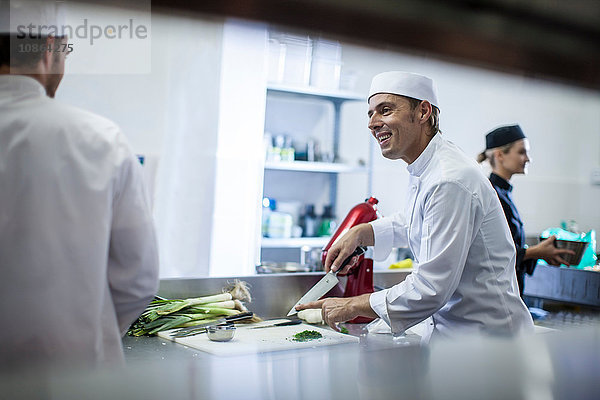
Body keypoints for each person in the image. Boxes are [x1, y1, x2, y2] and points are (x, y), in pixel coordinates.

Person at [296, 71, 534, 341]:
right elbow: (417, 221)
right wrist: (362, 232)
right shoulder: (428, 167)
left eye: (385, 110)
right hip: (459, 338)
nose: (373, 123)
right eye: (371, 114)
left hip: (486, 342)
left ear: (423, 111)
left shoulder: (449, 179)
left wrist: (351, 305)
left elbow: (430, 288)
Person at [0, 1, 159, 370]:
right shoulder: (100, 140)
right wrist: (87, 333)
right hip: (73, 377)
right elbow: (137, 282)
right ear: (51, 48)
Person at [477, 125, 574, 297]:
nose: (528, 159)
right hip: (496, 295)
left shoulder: (503, 193)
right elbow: (492, 254)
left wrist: (538, 253)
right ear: (500, 155)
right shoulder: (491, 194)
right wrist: (537, 252)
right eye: (522, 152)